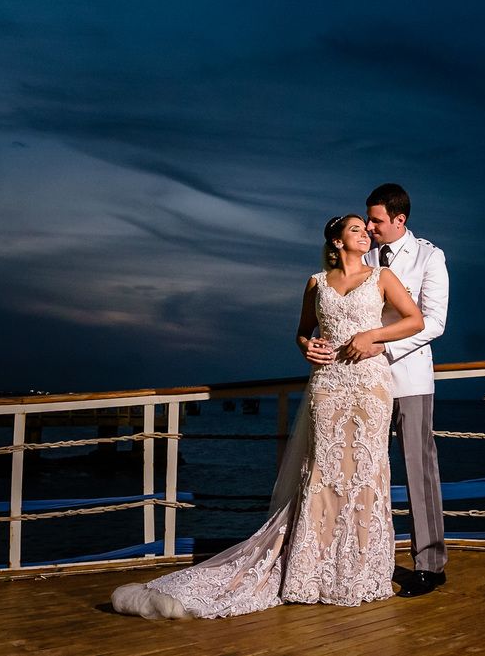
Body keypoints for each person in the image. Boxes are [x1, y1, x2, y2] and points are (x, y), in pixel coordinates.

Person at [112, 214, 424, 619]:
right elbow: (302, 332)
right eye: (355, 229)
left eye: (366, 229)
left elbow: (414, 320)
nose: (365, 233)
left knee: (366, 473)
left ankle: (360, 573)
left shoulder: (382, 277)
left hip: (370, 387)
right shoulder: (316, 282)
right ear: (335, 239)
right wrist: (306, 347)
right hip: (328, 386)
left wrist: (372, 337)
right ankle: (313, 571)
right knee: (323, 474)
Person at [362, 183, 449, 597]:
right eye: (368, 219)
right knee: (364, 468)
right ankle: (365, 556)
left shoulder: (431, 256)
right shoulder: (362, 256)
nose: (369, 227)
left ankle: (430, 565)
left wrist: (384, 344)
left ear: (400, 220)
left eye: (376, 220)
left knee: (418, 469)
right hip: (364, 380)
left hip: (410, 377)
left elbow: (434, 322)